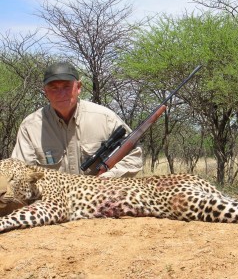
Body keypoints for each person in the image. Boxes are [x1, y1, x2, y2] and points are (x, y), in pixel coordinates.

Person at [0, 61, 143, 215]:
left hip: (101, 203)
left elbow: (134, 156)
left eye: (66, 87)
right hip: (51, 208)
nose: (60, 94)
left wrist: (108, 178)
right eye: (53, 88)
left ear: (79, 87)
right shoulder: (30, 126)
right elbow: (19, 171)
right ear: (45, 91)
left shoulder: (105, 118)